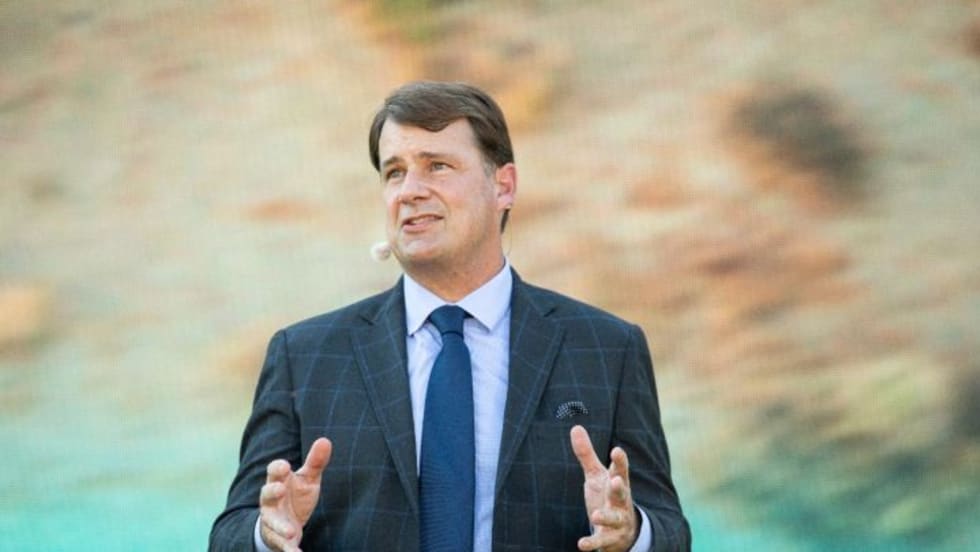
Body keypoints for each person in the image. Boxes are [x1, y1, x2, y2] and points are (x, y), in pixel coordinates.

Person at [209, 81, 690, 552]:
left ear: (503, 186)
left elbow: (668, 528)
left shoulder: (607, 349)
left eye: (437, 166)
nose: (409, 191)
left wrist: (632, 534)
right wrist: (267, 535)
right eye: (394, 172)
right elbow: (231, 533)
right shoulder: (304, 356)